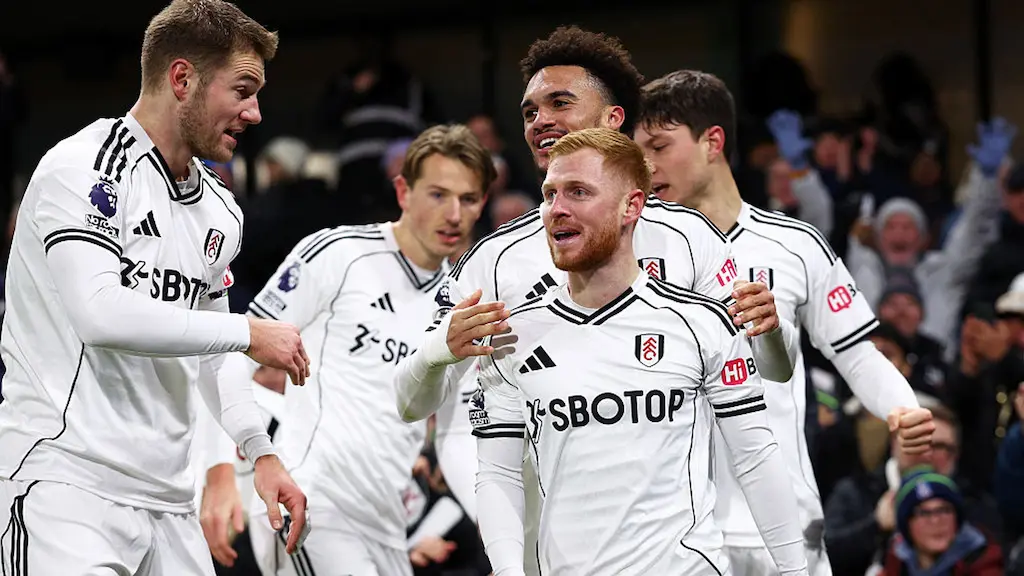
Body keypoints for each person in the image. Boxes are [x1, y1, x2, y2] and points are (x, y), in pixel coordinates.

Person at [0, 1, 311, 574]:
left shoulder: (221, 211)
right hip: (66, 487)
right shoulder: (84, 169)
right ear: (182, 79)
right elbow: (101, 314)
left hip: (169, 502)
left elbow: (211, 356)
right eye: (243, 91)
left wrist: (259, 451)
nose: (256, 113)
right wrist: (246, 331)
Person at [633, 69, 935, 575]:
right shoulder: (632, 255)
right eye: (637, 149)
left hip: (785, 525)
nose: (645, 164)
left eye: (659, 147)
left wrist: (902, 408)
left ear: (712, 142)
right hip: (677, 530)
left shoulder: (794, 244)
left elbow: (858, 356)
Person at [469, 127, 807, 574]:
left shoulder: (701, 323)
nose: (557, 210)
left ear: (632, 206)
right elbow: (499, 474)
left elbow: (756, 457)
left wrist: (795, 571)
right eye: (549, 194)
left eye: (578, 192)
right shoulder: (513, 336)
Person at [201, 124, 494, 576]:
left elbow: (454, 434)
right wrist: (219, 469)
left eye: (469, 199)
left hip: (388, 527)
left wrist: (497, 531)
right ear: (403, 191)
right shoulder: (338, 254)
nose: (454, 214)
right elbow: (232, 353)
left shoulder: (464, 303)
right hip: (313, 504)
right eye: (438, 194)